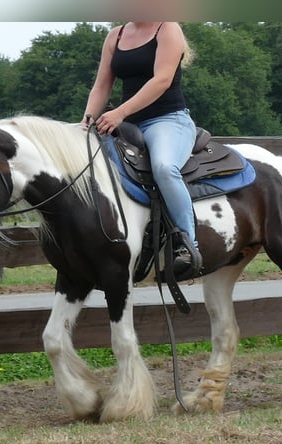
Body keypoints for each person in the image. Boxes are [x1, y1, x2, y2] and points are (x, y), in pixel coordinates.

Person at [82, 21, 202, 278]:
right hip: (126, 124)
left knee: (164, 168)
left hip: (168, 120)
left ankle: (187, 245)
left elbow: (162, 80)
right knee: (89, 167)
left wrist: (119, 113)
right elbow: (102, 85)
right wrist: (88, 119)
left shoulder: (168, 28)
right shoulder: (116, 36)